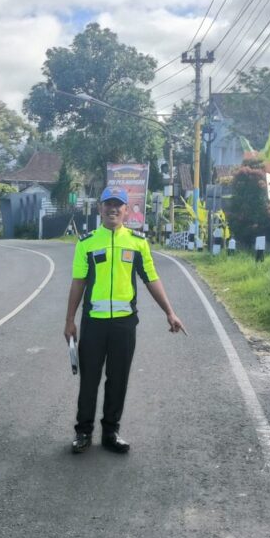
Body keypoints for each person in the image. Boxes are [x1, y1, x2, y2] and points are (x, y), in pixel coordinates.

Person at [64, 187, 187, 454]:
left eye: (118, 204)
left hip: (124, 324)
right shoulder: (86, 243)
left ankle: (111, 432)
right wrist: (69, 321)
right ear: (100, 208)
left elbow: (151, 278)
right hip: (94, 323)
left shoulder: (137, 242)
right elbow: (78, 282)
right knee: (89, 381)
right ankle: (83, 432)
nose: (113, 209)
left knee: (118, 379)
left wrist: (170, 312)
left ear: (125, 210)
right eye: (108, 204)